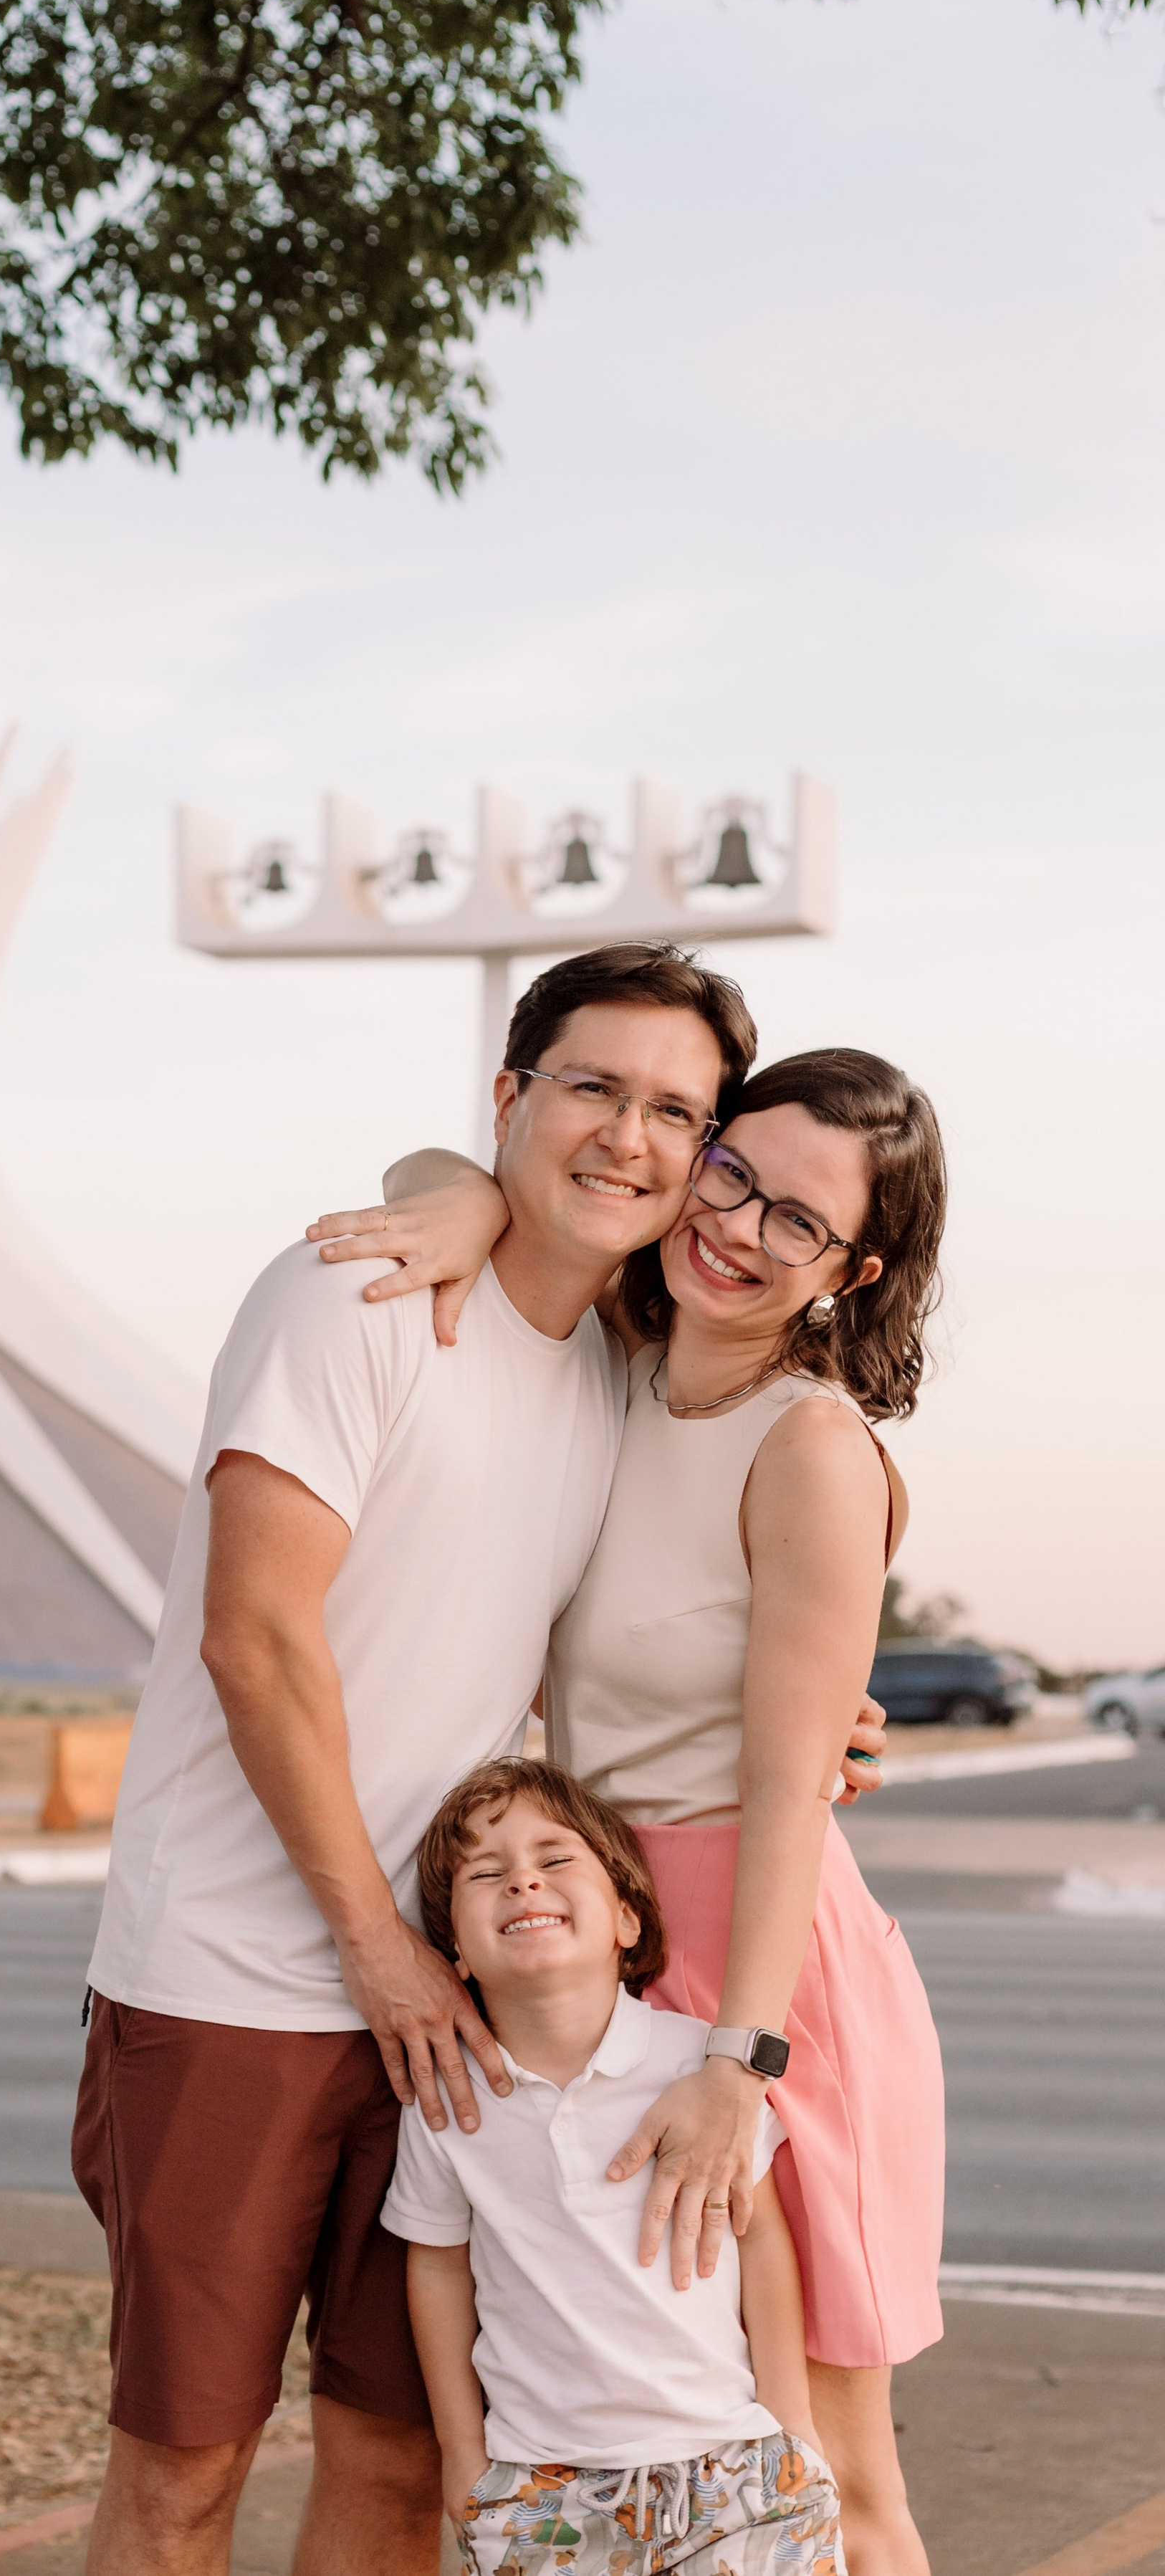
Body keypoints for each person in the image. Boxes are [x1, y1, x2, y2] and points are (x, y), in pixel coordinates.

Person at [74, 943, 885, 2576]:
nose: (630, 1139)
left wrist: (802, 1721)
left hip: (452, 2016)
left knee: (400, 2462)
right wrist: (375, 1948)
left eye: (678, 1114)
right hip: (241, 1978)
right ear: (507, 1098)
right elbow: (257, 1639)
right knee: (186, 2468)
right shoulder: (353, 1292)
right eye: (590, 1087)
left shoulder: (612, 1372)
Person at [312, 1043, 946, 2576]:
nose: (733, 1224)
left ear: (851, 1271)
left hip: (759, 1968)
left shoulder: (806, 1448)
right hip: (593, 1941)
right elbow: (422, 1173)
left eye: (793, 1221)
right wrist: (460, 1202)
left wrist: (741, 2059)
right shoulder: (617, 1353)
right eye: (728, 1170)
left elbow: (792, 1780)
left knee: (821, 2468)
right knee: (614, 2417)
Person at [389, 1755, 842, 2576]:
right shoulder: (447, 2099)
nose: (523, 1883)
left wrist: (788, 2423)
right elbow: (437, 2271)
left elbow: (761, 2239)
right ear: (453, 1949)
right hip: (541, 2485)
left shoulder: (700, 2072)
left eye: (554, 1860)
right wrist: (464, 2454)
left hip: (732, 2464)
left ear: (627, 1920)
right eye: (486, 1874)